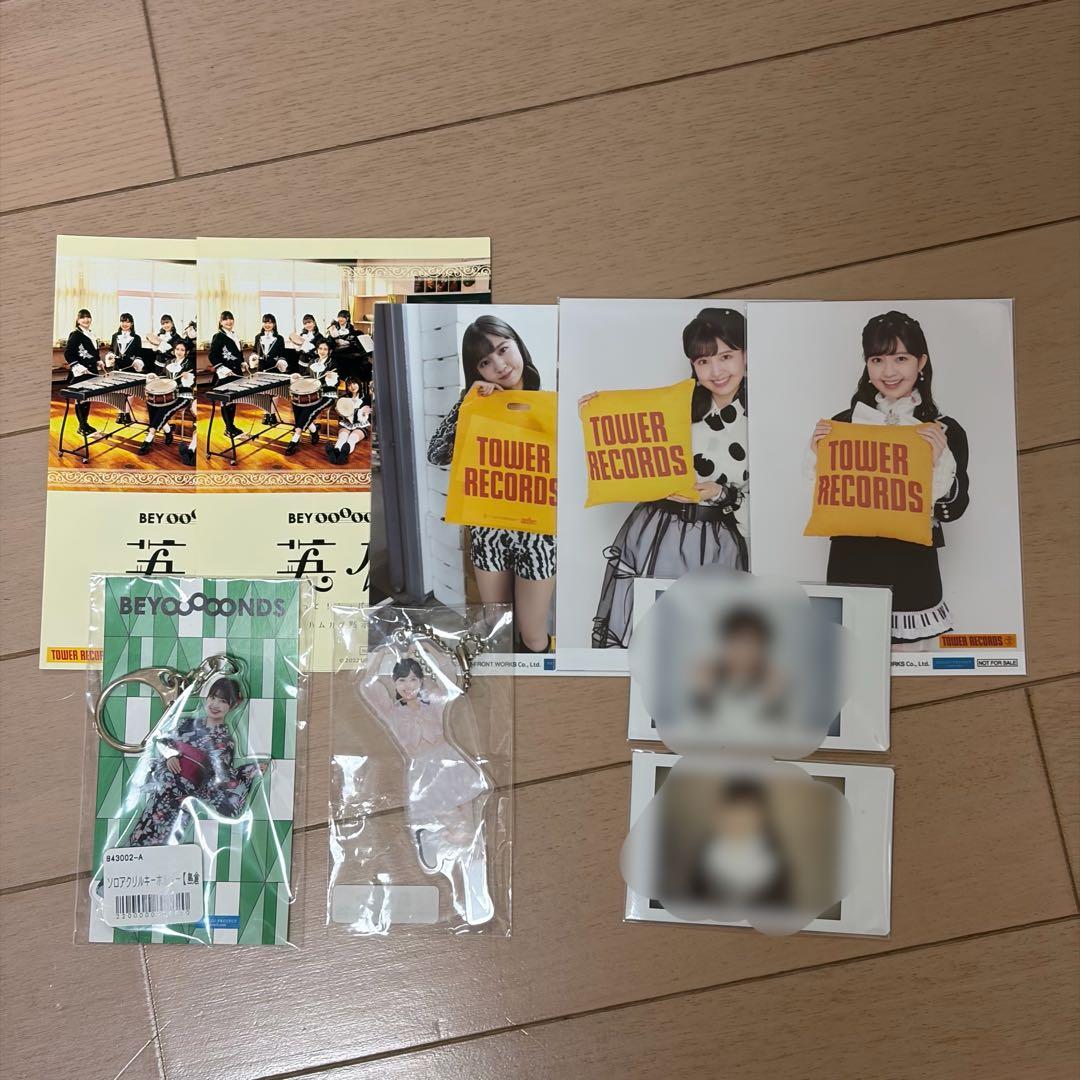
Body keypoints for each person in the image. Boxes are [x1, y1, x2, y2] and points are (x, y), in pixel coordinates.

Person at [588, 308, 749, 649]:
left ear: (746, 355)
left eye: (726, 356)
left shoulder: (763, 416)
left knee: (704, 641)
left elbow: (768, 500)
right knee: (648, 633)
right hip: (658, 533)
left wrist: (720, 493)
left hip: (716, 544)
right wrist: (596, 409)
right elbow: (632, 443)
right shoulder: (676, 406)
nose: (716, 371)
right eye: (703, 361)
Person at [807, 310, 969, 649]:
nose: (889, 371)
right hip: (851, 564)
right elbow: (826, 495)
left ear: (921, 362)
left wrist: (937, 461)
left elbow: (954, 509)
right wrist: (817, 454)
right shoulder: (843, 424)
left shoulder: (944, 430)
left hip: (912, 570)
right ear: (867, 365)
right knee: (848, 660)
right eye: (877, 359)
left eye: (901, 358)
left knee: (913, 661)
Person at [427, 316, 556, 653]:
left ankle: (540, 679)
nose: (499, 365)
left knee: (533, 635)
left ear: (518, 345)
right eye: (484, 362)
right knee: (497, 624)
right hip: (489, 532)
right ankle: (504, 680)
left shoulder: (551, 402)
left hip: (538, 535)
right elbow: (436, 453)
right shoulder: (476, 405)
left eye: (502, 349)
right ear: (477, 370)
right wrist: (467, 402)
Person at [122, 676, 266, 848]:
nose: (215, 704)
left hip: (183, 800)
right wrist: (170, 755)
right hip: (162, 791)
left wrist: (249, 771)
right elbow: (163, 742)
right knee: (142, 831)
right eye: (213, 697)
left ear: (233, 705)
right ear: (207, 698)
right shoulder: (186, 724)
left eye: (223, 701)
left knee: (167, 841)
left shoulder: (225, 742)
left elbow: (219, 778)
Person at [281, 339, 338, 456]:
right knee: (296, 403)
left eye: (325, 349)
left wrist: (331, 377)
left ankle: (295, 438)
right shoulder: (312, 361)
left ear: (330, 351)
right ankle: (313, 430)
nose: (322, 351)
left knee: (308, 409)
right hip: (311, 395)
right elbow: (307, 376)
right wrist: (299, 377)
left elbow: (336, 383)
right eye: (320, 348)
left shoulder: (333, 364)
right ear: (317, 350)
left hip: (326, 395)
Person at [138, 339, 193, 456]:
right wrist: (155, 377)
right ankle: (168, 430)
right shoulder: (169, 362)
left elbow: (191, 383)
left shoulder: (189, 364)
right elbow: (163, 376)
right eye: (177, 349)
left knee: (163, 409)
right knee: (151, 403)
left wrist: (187, 377)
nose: (179, 352)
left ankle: (149, 437)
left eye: (182, 350)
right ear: (174, 350)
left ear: (186, 352)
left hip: (183, 395)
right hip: (167, 395)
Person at [63, 308, 102, 436]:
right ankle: (82, 426)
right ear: (78, 320)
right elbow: (68, 353)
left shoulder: (91, 334)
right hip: (80, 372)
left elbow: (94, 352)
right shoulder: (75, 334)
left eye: (88, 317)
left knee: (87, 398)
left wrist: (98, 361)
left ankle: (85, 424)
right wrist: (78, 366)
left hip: (91, 371)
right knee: (80, 399)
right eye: (83, 317)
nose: (86, 320)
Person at [208, 310, 245, 439]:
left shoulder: (234, 335)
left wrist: (242, 362)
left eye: (230, 318)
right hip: (225, 374)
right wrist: (223, 369)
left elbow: (238, 353)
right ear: (220, 322)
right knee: (225, 402)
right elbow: (212, 356)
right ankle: (228, 428)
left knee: (233, 401)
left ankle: (231, 426)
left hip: (236, 373)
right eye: (225, 319)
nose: (228, 321)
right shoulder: (218, 336)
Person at [327, 375, 372, 464]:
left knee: (352, 438)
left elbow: (366, 417)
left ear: (359, 384)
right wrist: (339, 412)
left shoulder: (366, 398)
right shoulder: (344, 398)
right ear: (347, 387)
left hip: (361, 425)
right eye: (349, 385)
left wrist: (364, 412)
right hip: (346, 424)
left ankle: (342, 454)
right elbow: (342, 415)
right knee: (342, 438)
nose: (352, 386)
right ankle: (335, 453)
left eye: (354, 383)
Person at [326, 309, 369, 386]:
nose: (341, 319)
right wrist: (333, 338)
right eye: (339, 317)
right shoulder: (333, 329)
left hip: (350, 357)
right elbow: (329, 344)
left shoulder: (353, 331)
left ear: (347, 318)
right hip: (338, 356)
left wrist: (348, 342)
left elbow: (357, 344)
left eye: (343, 317)